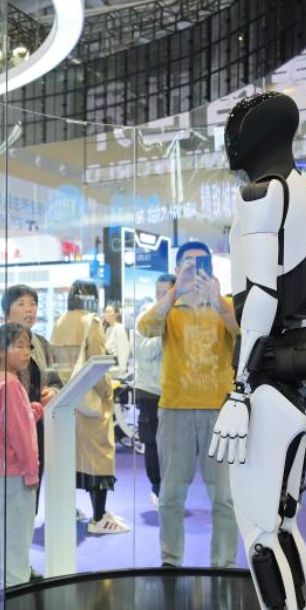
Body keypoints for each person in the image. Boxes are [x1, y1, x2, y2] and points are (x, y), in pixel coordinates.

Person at [136, 241, 239, 567]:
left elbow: (245, 337)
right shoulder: (170, 306)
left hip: (219, 411)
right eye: (188, 264)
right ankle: (170, 560)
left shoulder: (227, 304)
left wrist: (218, 302)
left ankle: (224, 563)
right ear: (179, 268)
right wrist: (173, 293)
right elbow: (145, 328)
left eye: (201, 262)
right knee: (170, 495)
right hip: (175, 408)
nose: (195, 269)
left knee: (224, 497)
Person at [0, 284, 61, 596]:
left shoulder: (40, 343)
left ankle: (18, 563)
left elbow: (54, 376)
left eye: (33, 303)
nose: (30, 309)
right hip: (0, 439)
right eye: (22, 303)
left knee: (26, 500)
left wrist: (53, 390)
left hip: (33, 431)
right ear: (7, 309)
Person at [52, 279, 128, 534]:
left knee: (69, 457)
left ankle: (66, 509)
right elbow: (98, 365)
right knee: (99, 457)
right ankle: (98, 518)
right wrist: (108, 391)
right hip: (89, 400)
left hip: (64, 400)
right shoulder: (92, 322)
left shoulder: (60, 321)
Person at [0, 322, 50, 588]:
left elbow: (14, 420)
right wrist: (31, 471)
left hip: (2, 471)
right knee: (18, 536)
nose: (26, 352)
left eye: (28, 346)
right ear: (1, 350)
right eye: (19, 346)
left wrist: (35, 408)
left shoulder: (1, 381)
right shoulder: (10, 384)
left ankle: (9, 583)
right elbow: (21, 434)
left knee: (7, 532)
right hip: (15, 472)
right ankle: (15, 590)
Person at [134, 274, 175, 510]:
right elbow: (145, 353)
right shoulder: (145, 319)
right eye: (159, 292)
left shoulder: (183, 319)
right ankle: (157, 490)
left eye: (166, 292)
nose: (161, 296)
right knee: (152, 443)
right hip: (150, 391)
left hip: (176, 393)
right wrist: (165, 331)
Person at [102, 302, 131, 379]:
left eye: (109, 312)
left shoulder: (119, 328)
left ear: (116, 314)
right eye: (106, 312)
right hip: (108, 370)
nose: (107, 314)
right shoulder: (107, 329)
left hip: (117, 371)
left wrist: (122, 371)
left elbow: (123, 351)